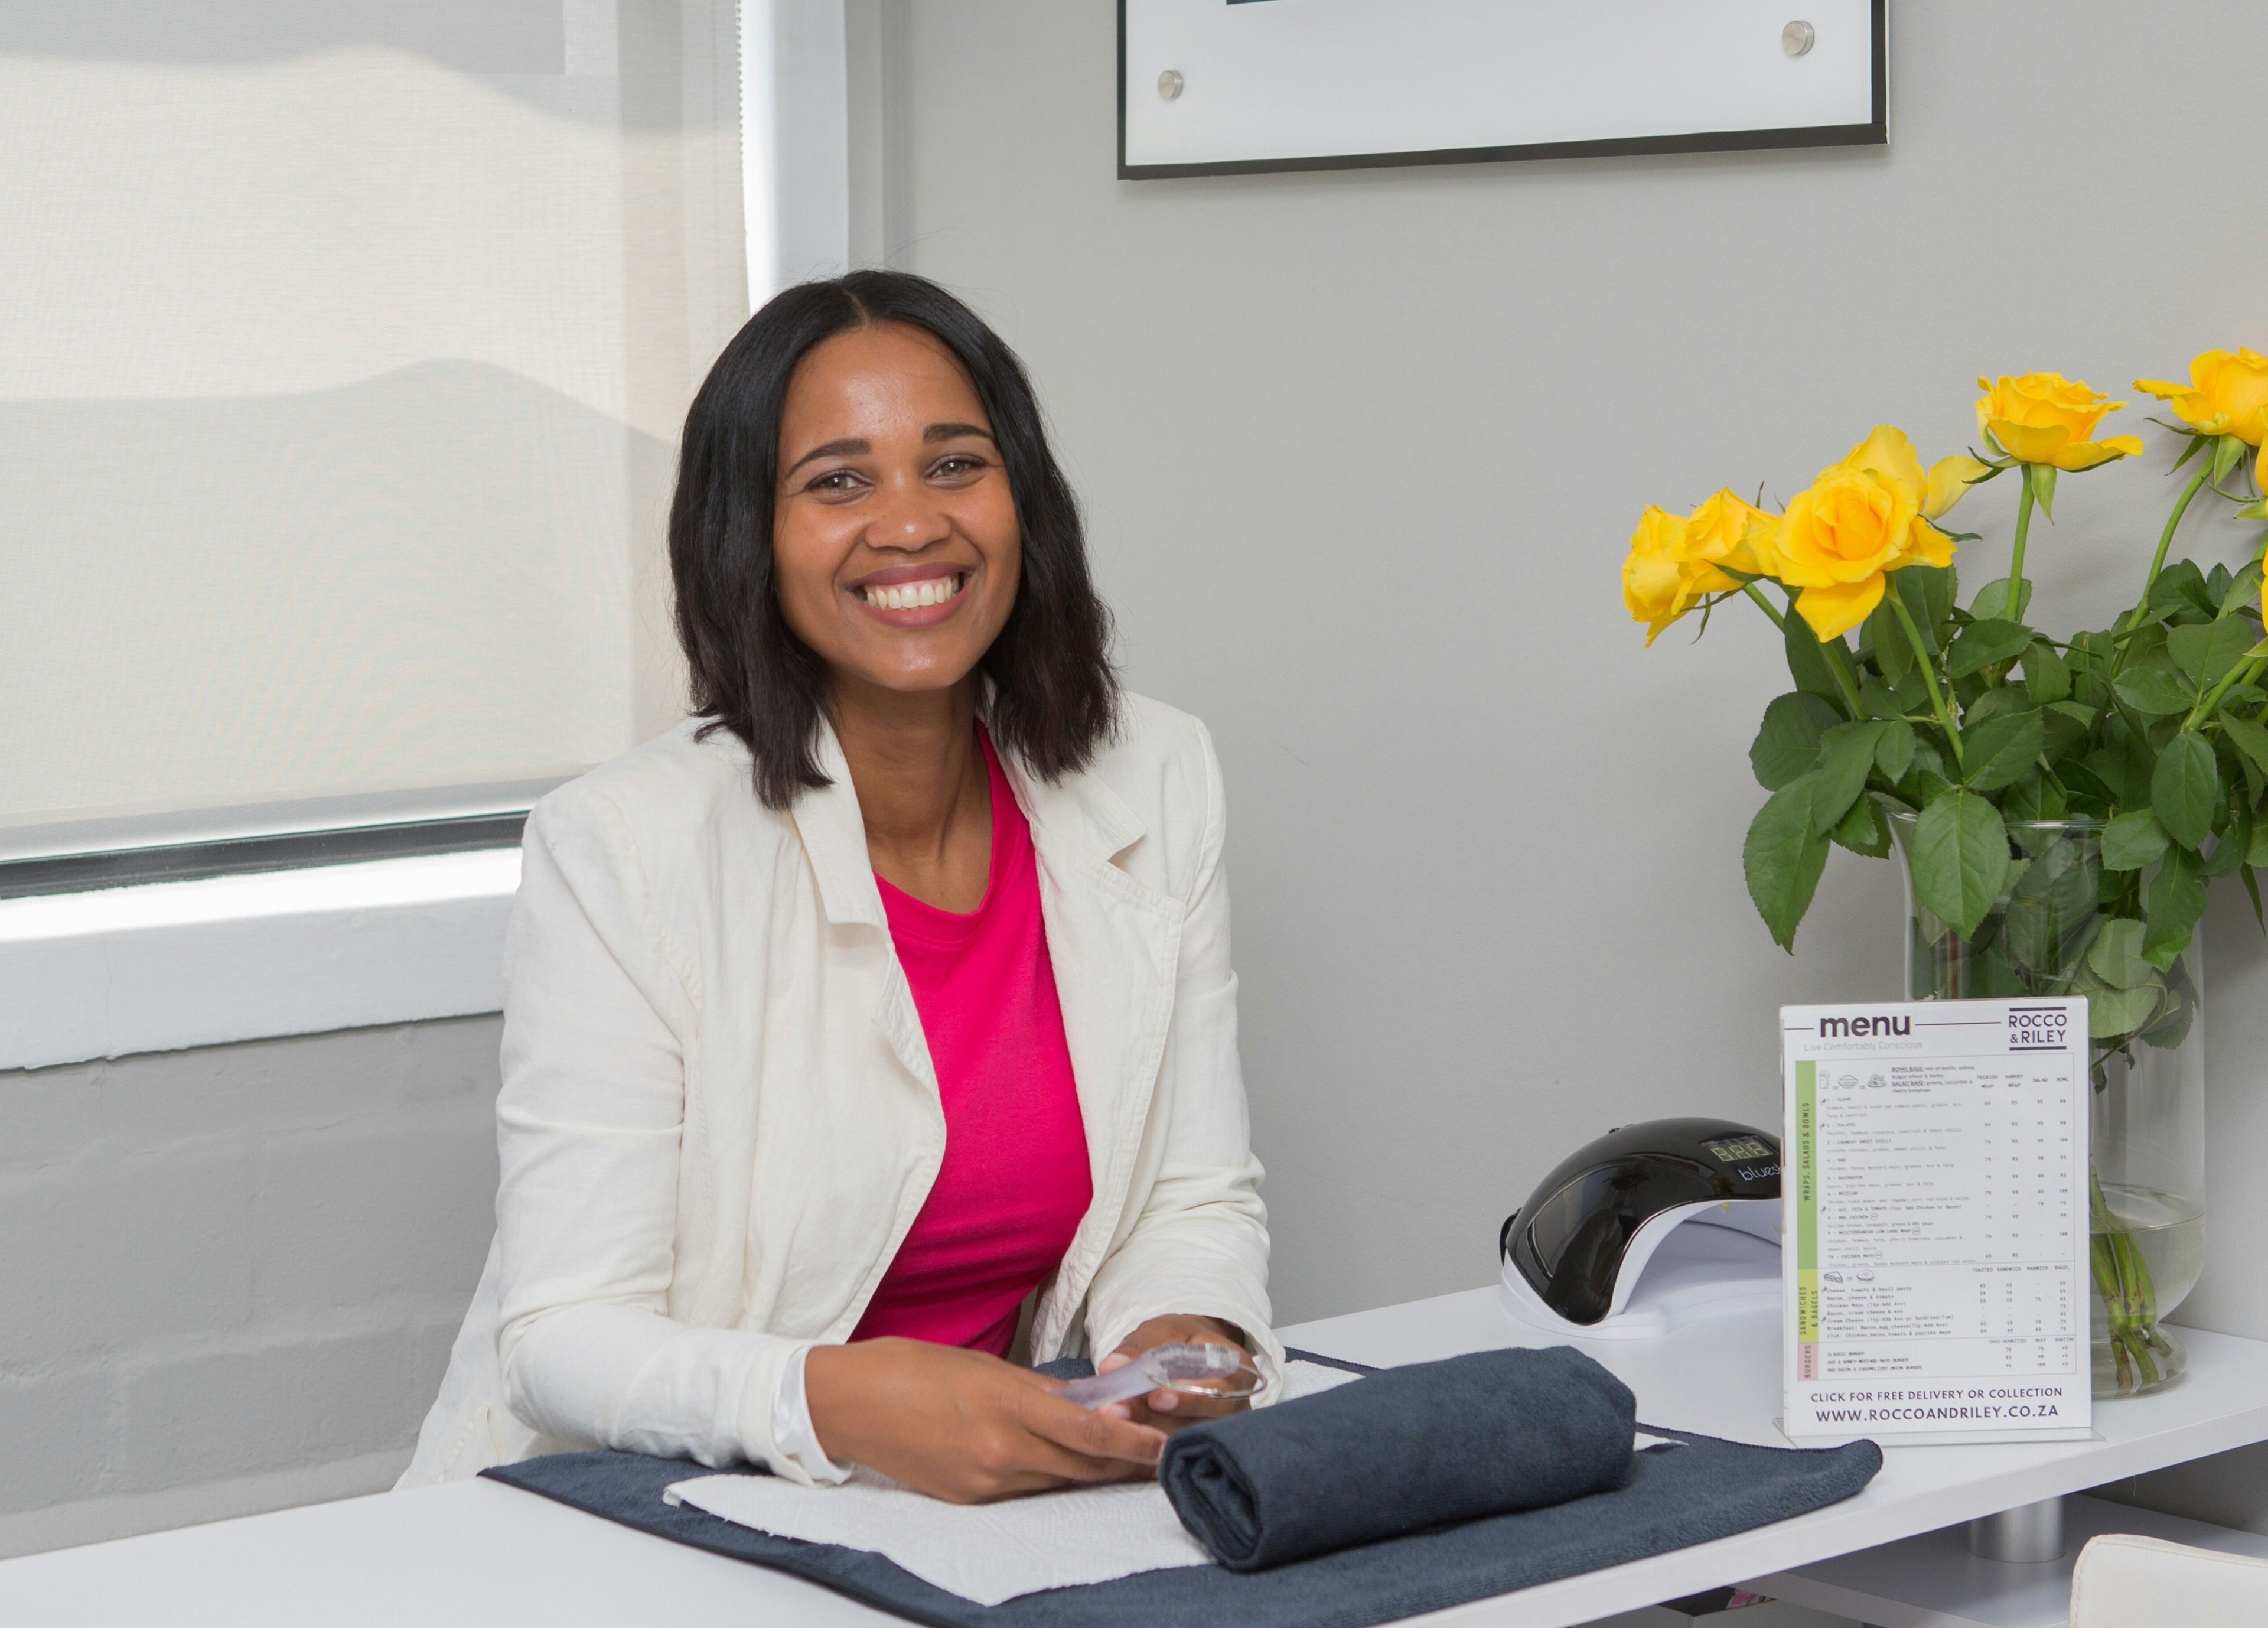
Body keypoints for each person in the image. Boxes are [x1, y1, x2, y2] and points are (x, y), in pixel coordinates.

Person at [400, 270, 1279, 1503]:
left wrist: (1177, 1338)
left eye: (956, 463)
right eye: (838, 481)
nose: (912, 524)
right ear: (747, 533)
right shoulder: (620, 847)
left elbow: (1189, 1191)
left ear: (1024, 497)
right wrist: (840, 1397)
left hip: (978, 1521)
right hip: (645, 1519)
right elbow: (560, 1339)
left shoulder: (1158, 774)